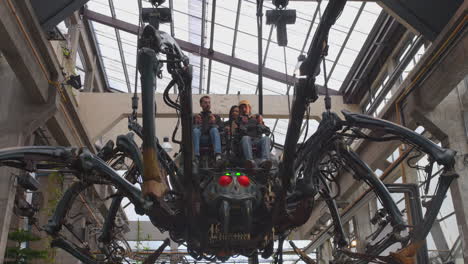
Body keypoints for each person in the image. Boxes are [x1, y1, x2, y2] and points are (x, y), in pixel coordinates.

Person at [237, 100, 272, 169]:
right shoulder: (238, 120)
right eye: (241, 108)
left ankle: (265, 160)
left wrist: (260, 123)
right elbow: (242, 131)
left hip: (257, 141)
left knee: (266, 138)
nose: (244, 110)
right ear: (239, 110)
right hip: (244, 142)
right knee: (246, 137)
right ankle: (250, 161)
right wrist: (244, 124)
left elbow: (267, 131)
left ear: (249, 108)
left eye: (245, 107)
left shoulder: (255, 120)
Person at [193, 96, 223, 163]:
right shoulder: (196, 117)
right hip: (200, 140)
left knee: (214, 130)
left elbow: (221, 130)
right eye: (205, 102)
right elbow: (190, 131)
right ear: (201, 104)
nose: (208, 104)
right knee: (195, 130)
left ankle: (218, 155)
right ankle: (196, 156)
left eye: (209, 102)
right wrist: (196, 124)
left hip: (212, 140)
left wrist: (214, 123)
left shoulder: (216, 117)